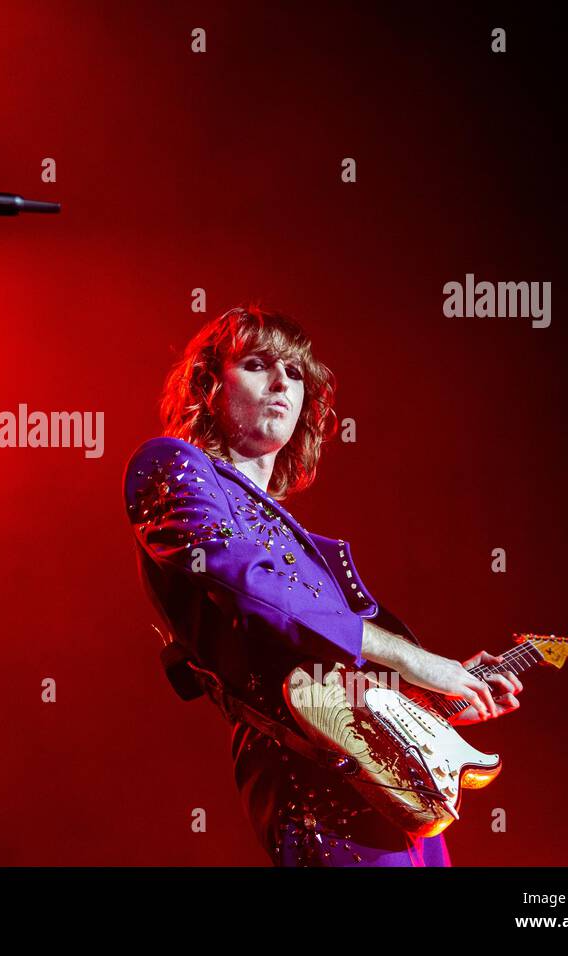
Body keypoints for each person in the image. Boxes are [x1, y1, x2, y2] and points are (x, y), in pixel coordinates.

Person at [122, 305, 524, 866]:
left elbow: (333, 676)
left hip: (395, 792)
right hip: (314, 787)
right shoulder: (171, 462)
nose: (282, 381)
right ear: (209, 385)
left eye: (294, 372)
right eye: (259, 364)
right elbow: (242, 585)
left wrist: (436, 702)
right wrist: (415, 660)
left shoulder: (298, 540)